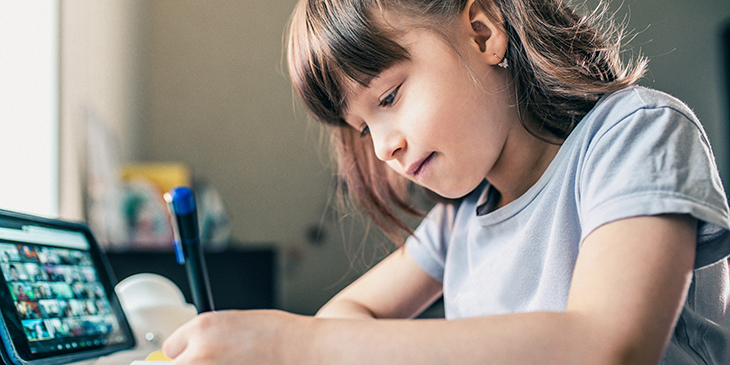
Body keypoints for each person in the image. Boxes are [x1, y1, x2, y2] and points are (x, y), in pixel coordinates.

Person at [162, 0, 730, 363]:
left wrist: (295, 345)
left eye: (389, 97)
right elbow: (346, 313)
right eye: (364, 127)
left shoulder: (635, 137)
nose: (383, 145)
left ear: (482, 33)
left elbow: (607, 346)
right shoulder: (460, 220)